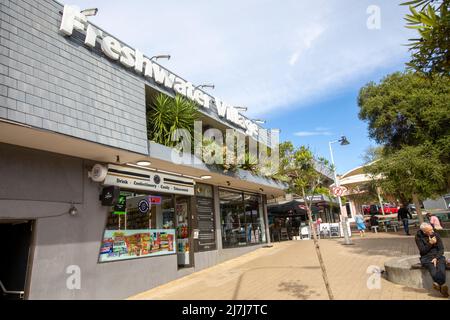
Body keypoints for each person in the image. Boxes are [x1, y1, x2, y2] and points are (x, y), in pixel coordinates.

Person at [415, 222, 448, 297]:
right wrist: (430, 243)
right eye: (430, 231)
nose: (432, 231)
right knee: (432, 268)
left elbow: (441, 249)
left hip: (438, 256)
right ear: (424, 232)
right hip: (426, 257)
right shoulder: (418, 237)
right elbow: (422, 251)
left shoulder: (436, 235)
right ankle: (442, 286)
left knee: (441, 267)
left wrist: (436, 258)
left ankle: (438, 285)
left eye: (432, 229)